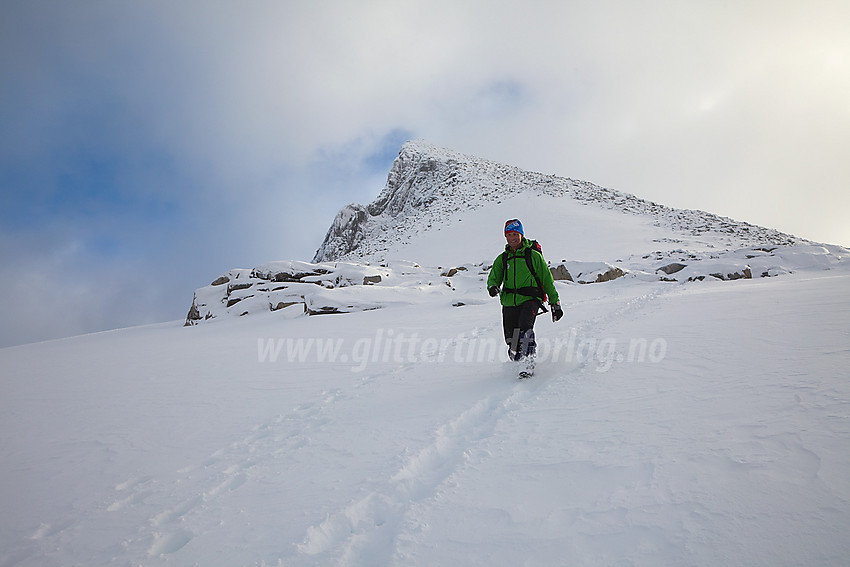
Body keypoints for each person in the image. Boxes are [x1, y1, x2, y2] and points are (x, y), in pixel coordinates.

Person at [487, 219, 563, 373]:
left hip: (530, 299)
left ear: (522, 235)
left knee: (525, 330)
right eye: (509, 235)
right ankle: (516, 361)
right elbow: (494, 276)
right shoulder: (503, 258)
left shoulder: (533, 256)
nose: (513, 238)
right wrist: (493, 287)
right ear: (505, 237)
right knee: (511, 339)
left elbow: (547, 280)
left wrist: (555, 303)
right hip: (509, 301)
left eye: (516, 234)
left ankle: (528, 364)